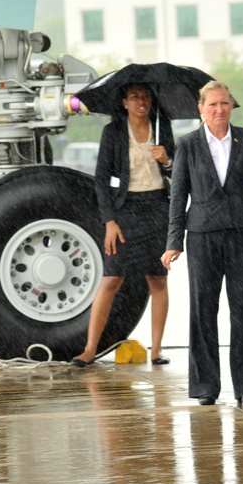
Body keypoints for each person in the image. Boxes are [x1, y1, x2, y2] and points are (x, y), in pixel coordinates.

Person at [160, 81, 243, 407]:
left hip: (242, 232)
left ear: (232, 106)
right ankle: (205, 386)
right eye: (212, 104)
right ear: (201, 109)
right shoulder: (188, 144)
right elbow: (178, 195)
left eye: (225, 104)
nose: (219, 110)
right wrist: (174, 241)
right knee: (203, 310)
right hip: (202, 235)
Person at [73, 83, 173, 367]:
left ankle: (156, 350)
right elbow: (101, 179)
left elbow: (179, 170)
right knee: (111, 279)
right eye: (134, 97)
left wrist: (166, 160)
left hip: (158, 209)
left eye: (146, 96)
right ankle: (90, 349)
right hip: (125, 210)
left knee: (158, 279)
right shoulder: (113, 132)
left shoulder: (161, 127)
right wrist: (109, 221)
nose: (141, 102)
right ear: (125, 102)